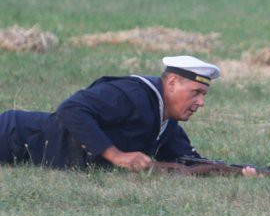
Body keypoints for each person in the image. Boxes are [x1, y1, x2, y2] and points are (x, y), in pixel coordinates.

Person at [0, 55, 225, 171]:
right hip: (14, 137)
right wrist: (117, 156)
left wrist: (237, 172)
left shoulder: (167, 124)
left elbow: (188, 162)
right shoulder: (130, 93)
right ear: (173, 82)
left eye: (203, 95)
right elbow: (71, 109)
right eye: (196, 93)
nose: (201, 102)